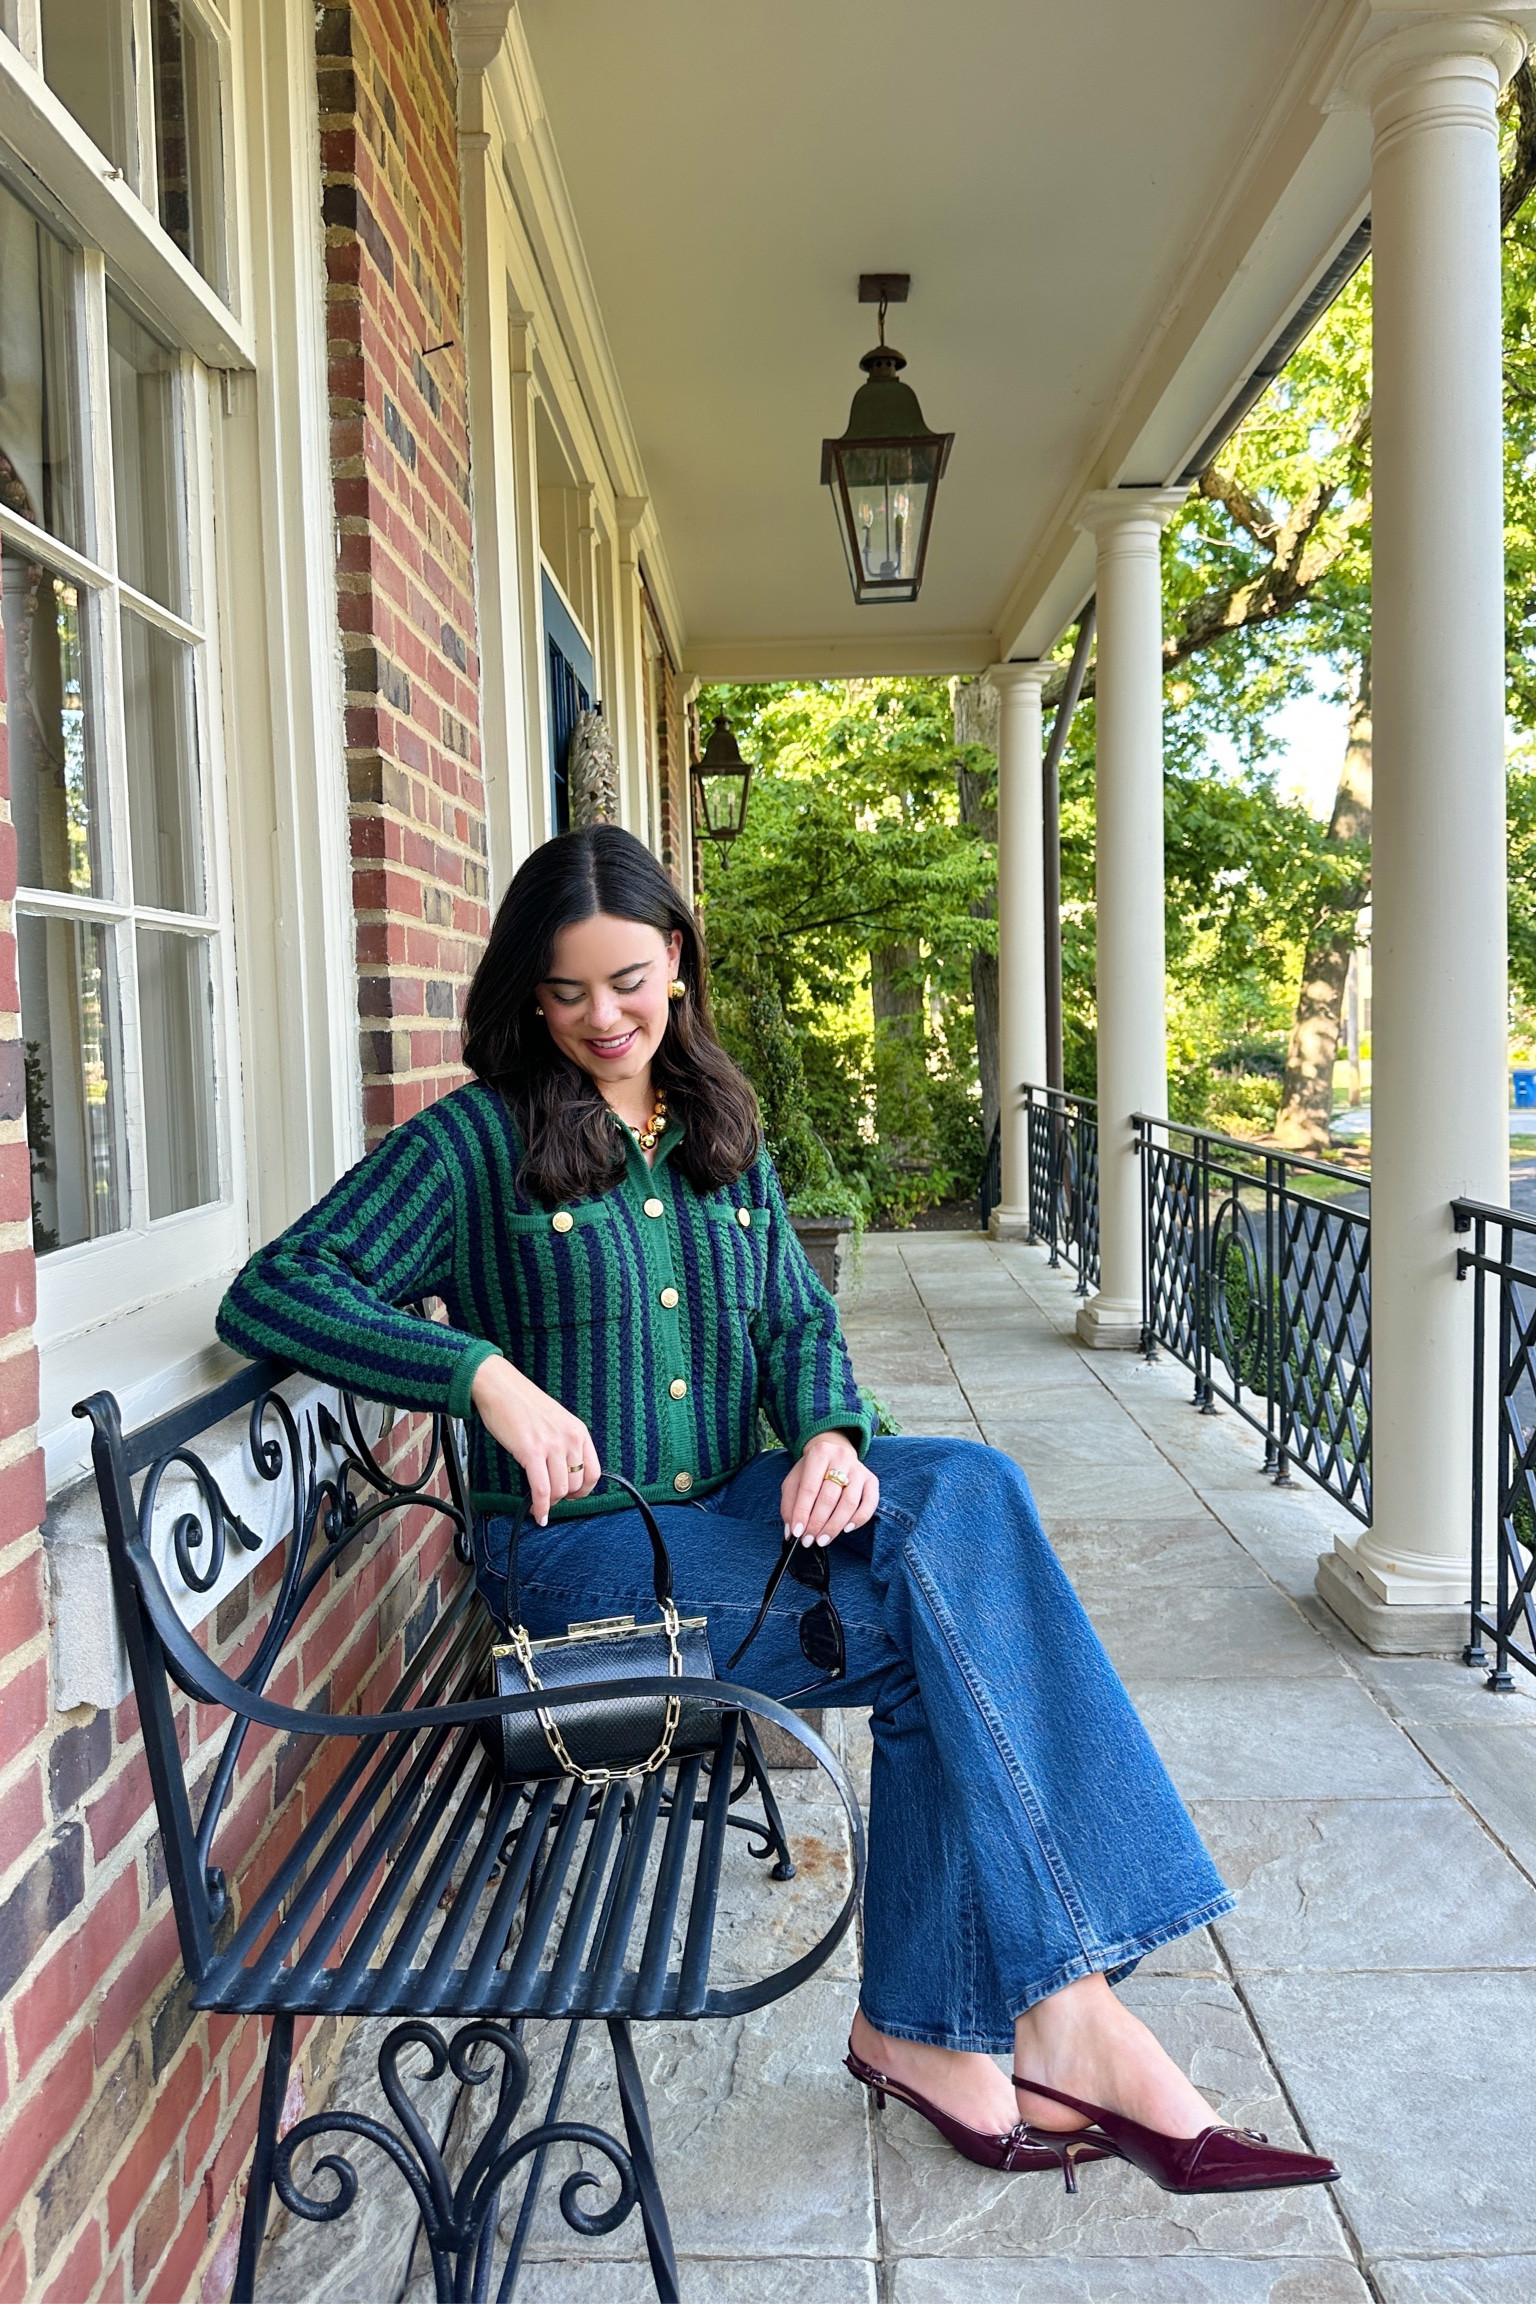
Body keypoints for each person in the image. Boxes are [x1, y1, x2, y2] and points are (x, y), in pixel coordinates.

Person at [218, 824, 1337, 2196]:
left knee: (968, 1494)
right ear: (527, 996)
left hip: (741, 1520)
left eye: (627, 980)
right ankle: (1039, 2018)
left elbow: (799, 1323)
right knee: (948, 1632)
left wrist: (827, 1436)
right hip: (586, 1571)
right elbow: (276, 1288)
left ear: (677, 959)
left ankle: (980, 2027)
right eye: (563, 993)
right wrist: (480, 1375)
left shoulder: (712, 1126)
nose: (600, 1019)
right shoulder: (474, 1141)